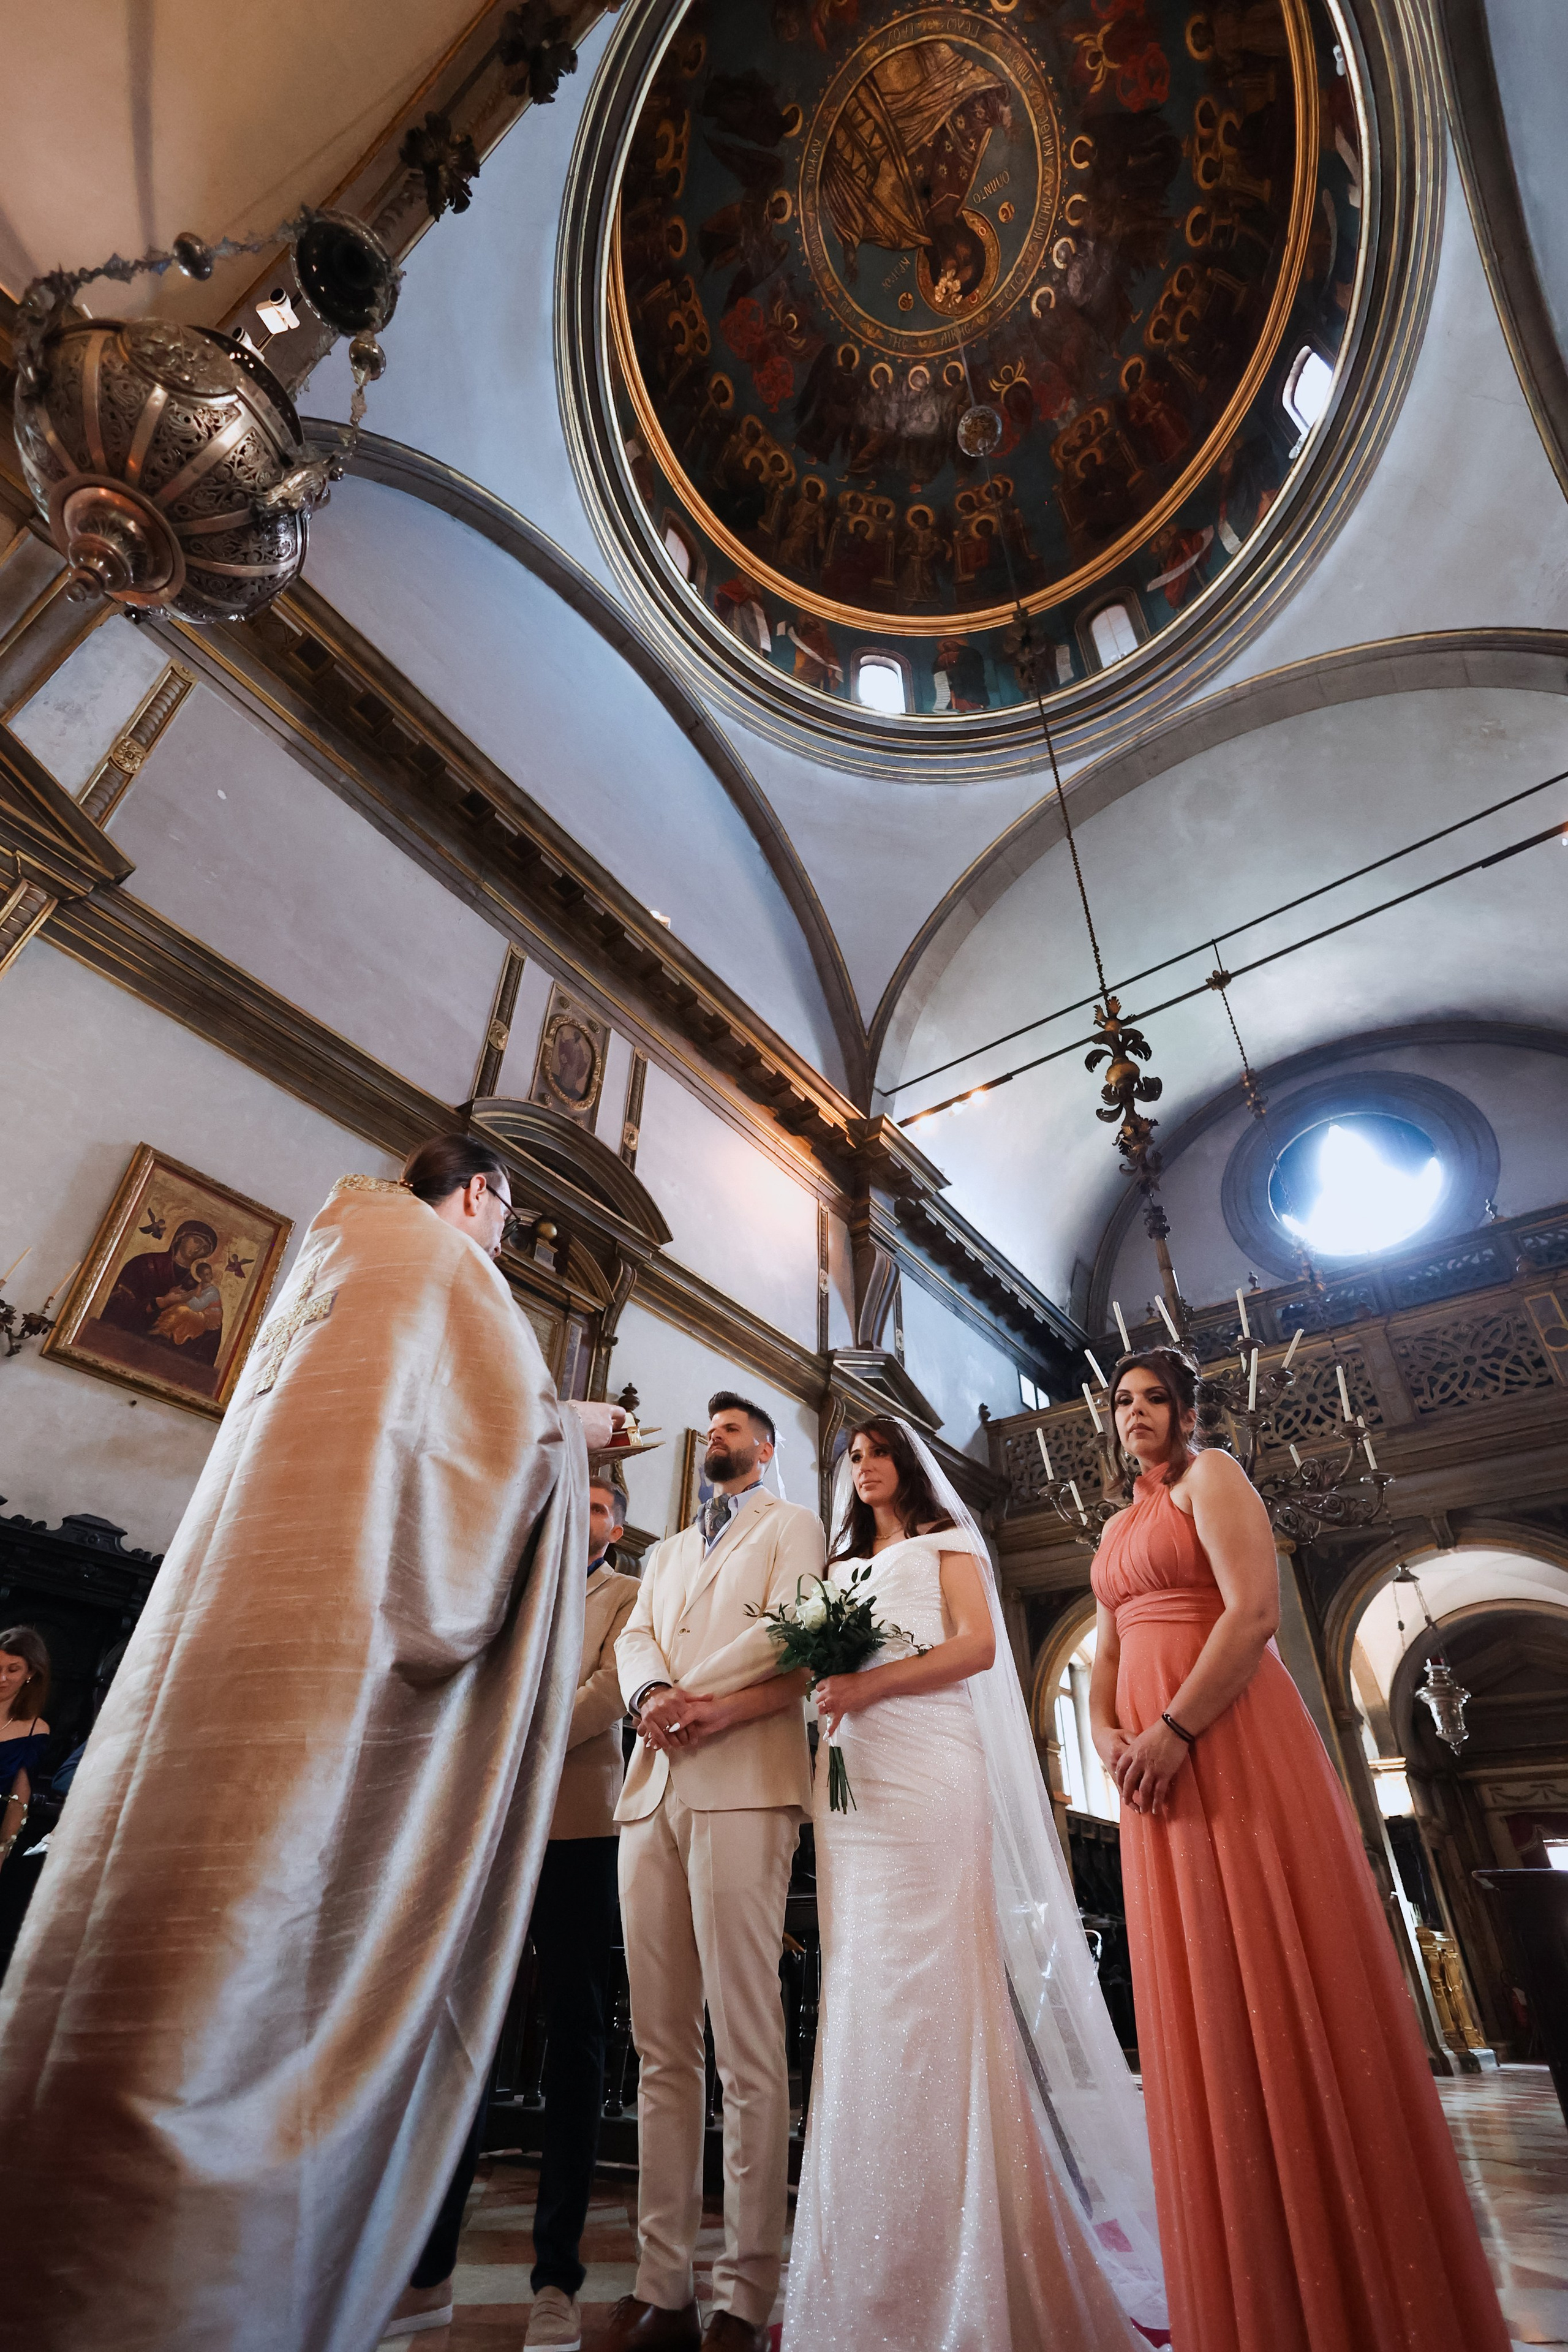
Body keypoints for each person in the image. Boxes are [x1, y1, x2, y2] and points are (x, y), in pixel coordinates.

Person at [0, 1132, 620, 2352]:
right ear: (481, 1194)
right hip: (332, 1669)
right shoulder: (443, 1271)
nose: (504, 1236)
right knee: (258, 1946)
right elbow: (477, 1468)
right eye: (506, 1213)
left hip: (227, 1644)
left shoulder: (334, 1256)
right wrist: (571, 1425)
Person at [1089, 1348, 1510, 2352]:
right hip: (1146, 1773)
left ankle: (1336, 2271)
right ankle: (1246, 2275)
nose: (1136, 1413)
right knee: (1199, 1986)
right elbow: (1105, 1650)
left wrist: (1173, 1730)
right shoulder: (1112, 1527)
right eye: (1122, 1401)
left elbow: (1254, 1614)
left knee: (1267, 1960)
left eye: (1154, 1399)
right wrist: (1107, 1736)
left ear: (1186, 1411)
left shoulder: (1214, 1476)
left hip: (1222, 1739)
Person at [781, 1417, 1166, 2352]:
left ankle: (973, 2245)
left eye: (879, 1453)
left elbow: (978, 1648)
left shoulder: (946, 1540)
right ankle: (872, 2246)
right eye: (853, 1457)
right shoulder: (837, 1568)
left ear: (908, 1464)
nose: (865, 1468)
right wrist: (830, 1687)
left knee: (935, 1985)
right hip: (855, 1777)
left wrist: (869, 1687)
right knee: (864, 1990)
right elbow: (820, 1667)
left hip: (929, 1761)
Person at [386, 1473, 642, 2348]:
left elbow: (611, 1690)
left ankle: (555, 2278)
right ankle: (428, 2266)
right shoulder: (512, 1588)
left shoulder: (629, 1596)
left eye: (600, 1508)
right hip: (489, 1827)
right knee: (461, 2030)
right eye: (577, 1504)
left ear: (617, 1527)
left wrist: (518, 1739)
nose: (584, 1517)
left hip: (575, 1827)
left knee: (576, 2033)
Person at [605, 1392, 822, 2352]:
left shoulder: (792, 1525)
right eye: (713, 1427)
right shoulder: (662, 1553)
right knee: (660, 2046)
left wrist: (696, 1698)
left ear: (764, 1450)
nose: (717, 1436)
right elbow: (633, 1637)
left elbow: (791, 1627)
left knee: (746, 2043)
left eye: (734, 1428)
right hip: (652, 1786)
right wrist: (653, 1693)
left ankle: (745, 2290)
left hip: (741, 1783)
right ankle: (663, 2286)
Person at [0, 1629, 51, 1978]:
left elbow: (20, 1797)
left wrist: (2, 1851)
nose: (2, 1678)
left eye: (13, 1669)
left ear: (31, 1673)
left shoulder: (36, 1729)